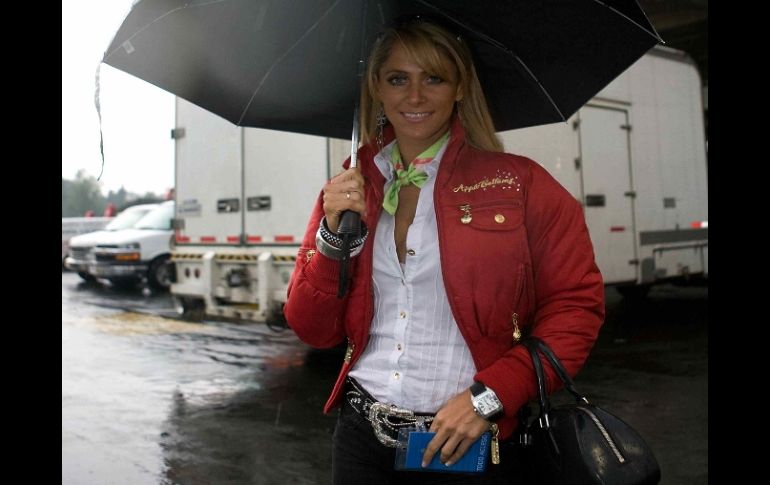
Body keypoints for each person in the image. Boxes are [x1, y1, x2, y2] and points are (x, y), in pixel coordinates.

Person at [284, 18, 604, 484]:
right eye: (398, 79)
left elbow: (576, 308)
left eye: (433, 78)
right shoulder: (349, 190)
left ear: (460, 88)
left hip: (466, 440)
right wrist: (334, 239)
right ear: (376, 88)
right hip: (360, 439)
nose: (415, 96)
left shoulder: (522, 184)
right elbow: (311, 329)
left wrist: (488, 398)